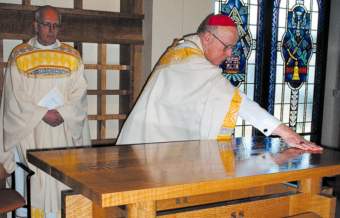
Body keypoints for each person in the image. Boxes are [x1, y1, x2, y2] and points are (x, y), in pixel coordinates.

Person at [116, 14, 322, 152]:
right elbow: (238, 101)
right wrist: (287, 134)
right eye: (227, 46)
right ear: (207, 38)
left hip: (148, 142)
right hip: (151, 147)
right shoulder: (191, 62)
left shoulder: (182, 51)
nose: (229, 53)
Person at [0, 5, 91, 217]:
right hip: (31, 132)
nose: (51, 30)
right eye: (46, 25)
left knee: (64, 179)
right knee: (36, 180)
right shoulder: (20, 55)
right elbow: (14, 97)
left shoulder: (72, 56)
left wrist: (64, 113)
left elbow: (80, 93)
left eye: (55, 25)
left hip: (63, 130)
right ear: (35, 25)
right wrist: (42, 113)